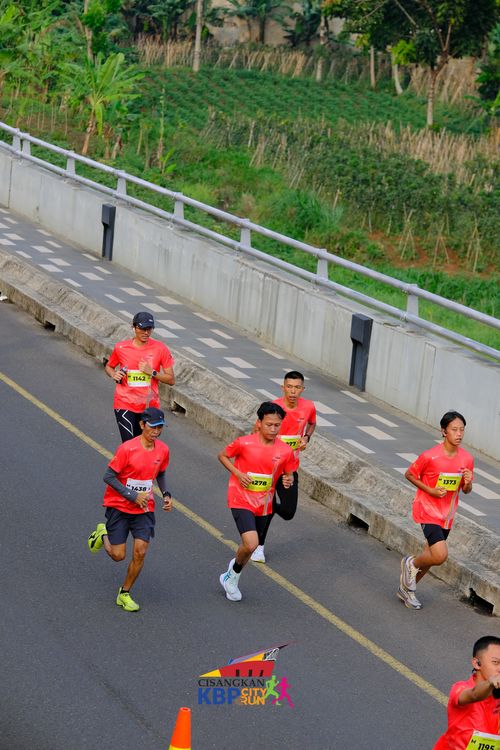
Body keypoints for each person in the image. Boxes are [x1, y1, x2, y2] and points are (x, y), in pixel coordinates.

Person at [87, 407, 173, 612]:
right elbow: (108, 476)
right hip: (120, 506)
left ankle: (124, 593)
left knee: (140, 551)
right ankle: (103, 533)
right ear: (142, 425)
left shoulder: (163, 450)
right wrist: (133, 495)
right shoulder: (127, 449)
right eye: (153, 427)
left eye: (160, 427)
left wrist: (166, 494)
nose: (156, 431)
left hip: (144, 508)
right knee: (118, 555)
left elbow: (160, 473)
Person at [218, 402, 298, 601]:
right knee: (252, 542)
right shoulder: (244, 443)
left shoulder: (285, 451)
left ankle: (232, 575)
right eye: (269, 424)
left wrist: (288, 480)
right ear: (259, 422)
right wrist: (238, 473)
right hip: (240, 498)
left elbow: (289, 473)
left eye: (277, 425)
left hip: (264, 504)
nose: (273, 429)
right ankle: (232, 576)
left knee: (250, 548)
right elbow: (223, 455)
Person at [398, 410, 474, 610]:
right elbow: (410, 474)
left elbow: (466, 490)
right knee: (440, 555)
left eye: (462, 430)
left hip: (447, 515)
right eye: (454, 429)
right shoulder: (430, 456)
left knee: (430, 558)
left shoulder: (467, 459)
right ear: (443, 431)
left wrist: (468, 482)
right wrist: (430, 490)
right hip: (427, 510)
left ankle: (407, 591)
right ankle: (411, 563)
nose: (459, 434)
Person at [251, 371, 316, 563]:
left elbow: (312, 424)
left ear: (302, 389)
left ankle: (267, 508)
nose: (293, 391)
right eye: (289, 387)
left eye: (297, 387)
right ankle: (259, 547)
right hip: (269, 468)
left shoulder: (308, 407)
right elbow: (256, 432)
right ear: (283, 388)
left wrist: (306, 437)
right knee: (267, 507)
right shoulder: (273, 408)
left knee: (288, 512)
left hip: (289, 469)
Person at [105, 311, 175, 442]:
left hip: (149, 406)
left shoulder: (160, 349)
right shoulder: (121, 347)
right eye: (142, 329)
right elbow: (109, 366)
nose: (146, 333)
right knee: (129, 444)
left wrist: (152, 372)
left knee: (144, 445)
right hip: (125, 403)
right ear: (133, 327)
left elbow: (171, 379)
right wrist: (114, 374)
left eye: (149, 329)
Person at [433, 635, 500, 749]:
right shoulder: (460, 689)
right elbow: (474, 694)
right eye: (496, 662)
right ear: (476, 663)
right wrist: (490, 683)